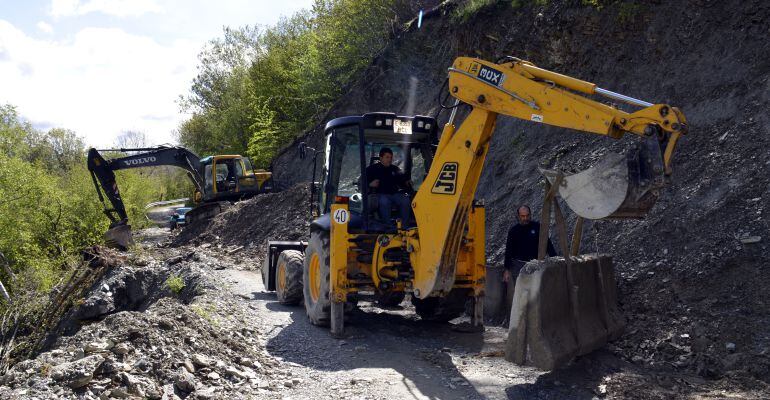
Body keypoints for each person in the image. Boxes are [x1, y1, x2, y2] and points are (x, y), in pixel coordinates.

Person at [503, 205, 556, 283]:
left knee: (535, 292)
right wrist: (506, 269)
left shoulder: (537, 227)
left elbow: (548, 244)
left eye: (527, 215)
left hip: (535, 265)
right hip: (518, 266)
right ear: (518, 216)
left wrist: (555, 260)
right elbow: (508, 251)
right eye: (523, 216)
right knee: (521, 293)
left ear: (530, 214)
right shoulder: (513, 231)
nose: (525, 218)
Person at [366, 147, 412, 225]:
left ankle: (404, 225)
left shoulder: (395, 169)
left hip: (394, 194)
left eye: (391, 157)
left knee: (405, 200)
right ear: (381, 158)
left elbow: (402, 180)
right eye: (387, 157)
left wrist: (407, 182)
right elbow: (361, 183)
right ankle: (387, 225)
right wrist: (370, 184)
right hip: (379, 194)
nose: (389, 159)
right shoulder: (371, 169)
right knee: (385, 202)